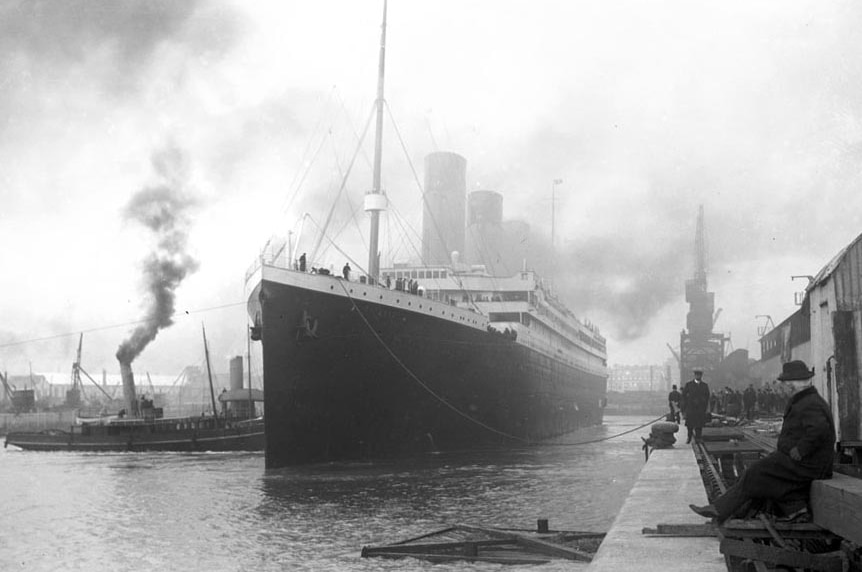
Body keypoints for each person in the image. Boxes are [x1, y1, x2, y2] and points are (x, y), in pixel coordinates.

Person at [690, 360, 835, 523]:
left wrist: (800, 450)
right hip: (806, 461)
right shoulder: (807, 400)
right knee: (758, 472)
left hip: (809, 464)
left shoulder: (808, 403)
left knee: (756, 472)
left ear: (797, 383)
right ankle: (727, 511)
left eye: (787, 384)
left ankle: (722, 509)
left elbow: (819, 429)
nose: (784, 388)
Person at [681, 367, 710, 444]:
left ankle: (698, 437)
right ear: (694, 376)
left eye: (699, 375)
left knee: (699, 425)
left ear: (701, 376)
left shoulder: (704, 386)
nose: (698, 376)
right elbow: (683, 395)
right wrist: (686, 404)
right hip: (691, 408)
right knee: (689, 425)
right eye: (697, 375)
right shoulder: (689, 385)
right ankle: (689, 437)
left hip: (700, 408)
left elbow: (707, 396)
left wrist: (704, 403)